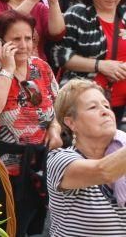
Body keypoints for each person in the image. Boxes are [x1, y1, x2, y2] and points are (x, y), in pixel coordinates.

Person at [0, 10, 61, 237]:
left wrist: (55, 128)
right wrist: (7, 70)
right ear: (1, 41)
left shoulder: (42, 68)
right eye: (16, 39)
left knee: (28, 228)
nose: (24, 45)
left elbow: (55, 110)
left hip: (34, 167)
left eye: (28, 38)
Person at [47, 79, 126, 235]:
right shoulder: (59, 159)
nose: (105, 111)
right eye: (92, 107)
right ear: (71, 123)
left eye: (106, 105)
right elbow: (104, 171)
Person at [53, 0, 126, 117]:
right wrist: (100, 65)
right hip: (86, 99)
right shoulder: (78, 14)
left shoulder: (124, 14)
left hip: (121, 100)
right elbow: (60, 55)